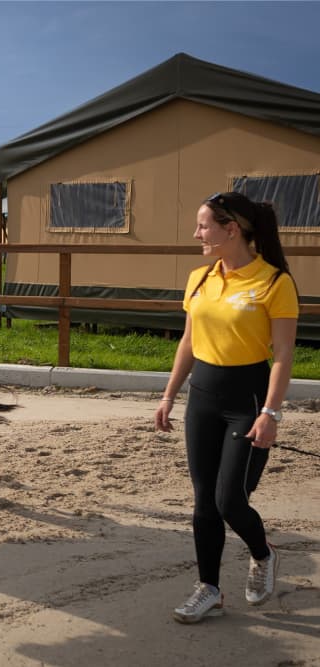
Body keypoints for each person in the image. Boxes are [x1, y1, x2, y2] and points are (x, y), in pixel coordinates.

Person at [155, 191, 299, 624]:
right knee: (203, 502)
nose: (196, 233)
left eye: (203, 226)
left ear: (231, 229)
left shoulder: (275, 283)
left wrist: (270, 413)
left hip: (247, 402)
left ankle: (263, 553)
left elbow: (283, 357)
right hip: (203, 398)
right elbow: (188, 341)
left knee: (229, 502)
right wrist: (168, 395)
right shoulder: (200, 277)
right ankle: (210, 588)